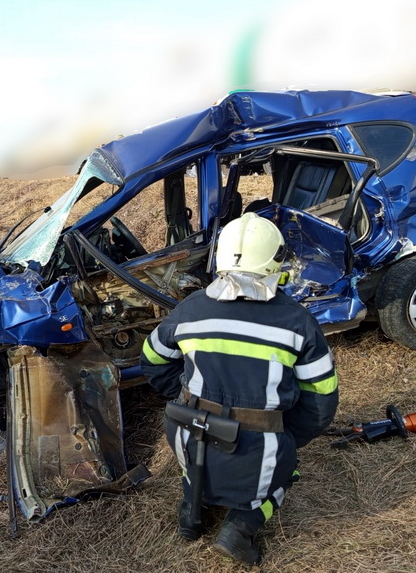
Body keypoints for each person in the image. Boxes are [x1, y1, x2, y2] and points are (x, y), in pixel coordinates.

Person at [140, 212, 338, 566]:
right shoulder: (297, 322)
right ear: (277, 262)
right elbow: (321, 400)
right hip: (257, 447)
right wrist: (287, 436)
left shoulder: (190, 310)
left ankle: (191, 511)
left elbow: (152, 358)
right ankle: (240, 528)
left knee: (195, 466)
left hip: (189, 432)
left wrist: (183, 393)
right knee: (288, 469)